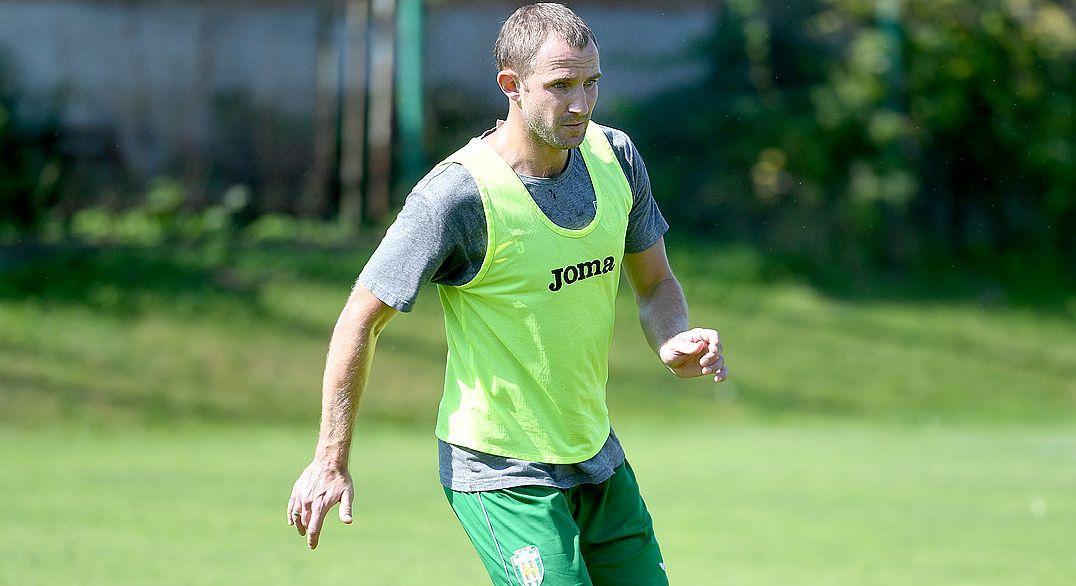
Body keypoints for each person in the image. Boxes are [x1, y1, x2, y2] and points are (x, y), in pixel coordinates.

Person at [286, 3, 727, 584]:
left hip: (595, 455)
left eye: (592, 82)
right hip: (501, 471)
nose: (581, 104)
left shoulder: (616, 157)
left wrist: (671, 340)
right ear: (511, 85)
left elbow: (655, 283)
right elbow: (359, 320)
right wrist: (330, 459)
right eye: (561, 86)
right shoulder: (457, 196)